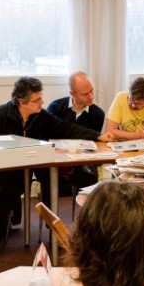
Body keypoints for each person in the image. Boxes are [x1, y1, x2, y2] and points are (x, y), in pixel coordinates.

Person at [0, 77, 111, 252]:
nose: (42, 102)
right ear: (22, 102)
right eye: (37, 99)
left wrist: (97, 136)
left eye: (41, 97)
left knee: (36, 181)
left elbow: (65, 127)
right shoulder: (0, 114)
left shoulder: (41, 116)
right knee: (7, 191)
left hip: (22, 170)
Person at [41, 71, 106, 204]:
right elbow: (46, 140)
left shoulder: (97, 114)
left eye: (91, 91)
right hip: (55, 161)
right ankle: (50, 221)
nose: (91, 96)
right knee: (46, 175)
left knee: (91, 178)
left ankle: (88, 219)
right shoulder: (55, 108)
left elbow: (92, 147)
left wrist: (74, 166)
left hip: (79, 162)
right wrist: (62, 165)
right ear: (73, 94)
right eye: (85, 94)